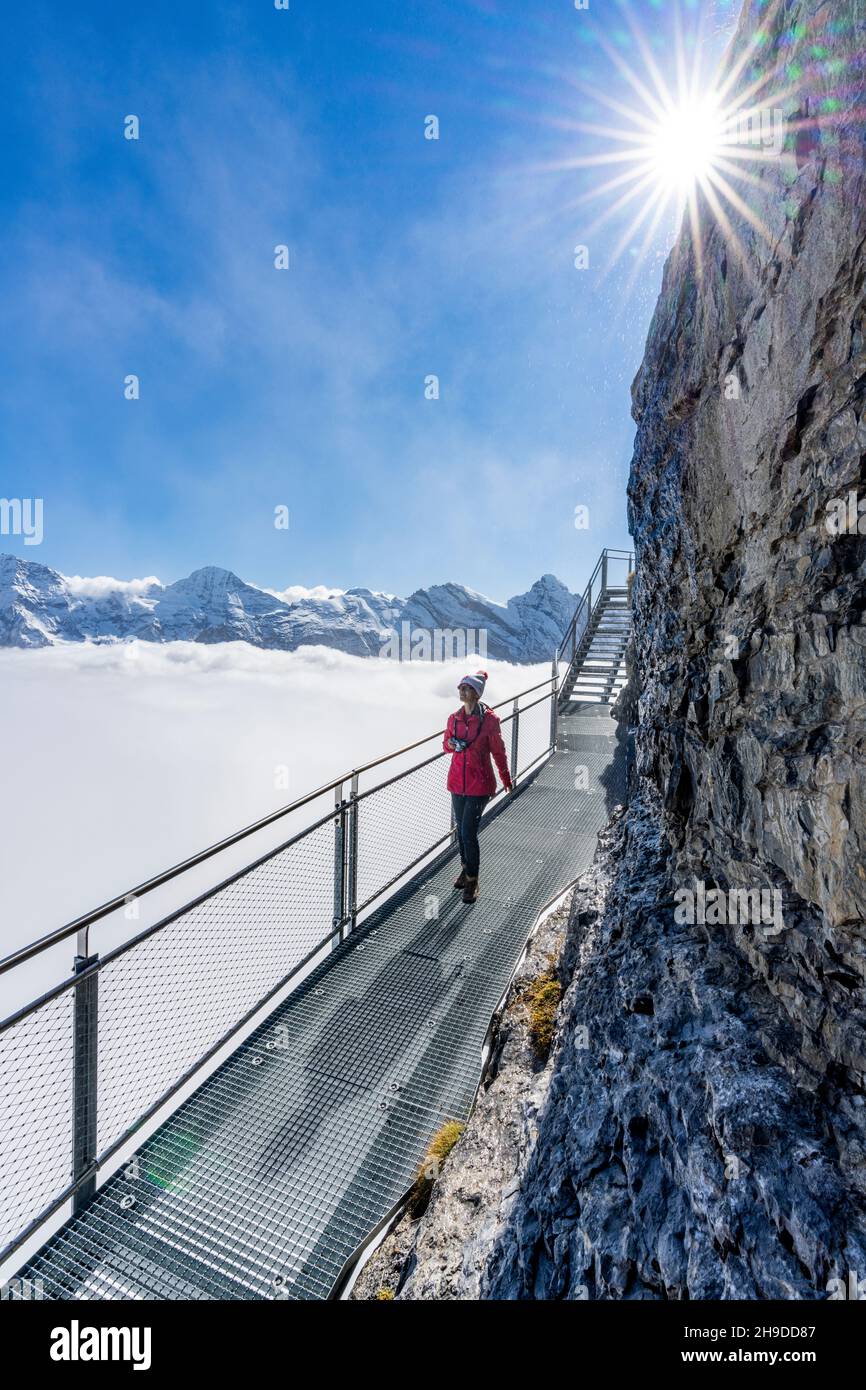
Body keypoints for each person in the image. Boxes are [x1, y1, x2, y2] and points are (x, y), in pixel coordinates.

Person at [443, 670, 513, 904]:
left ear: (477, 693)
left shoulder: (490, 721)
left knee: (467, 832)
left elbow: (498, 751)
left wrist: (506, 778)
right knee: (461, 833)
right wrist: (452, 744)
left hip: (480, 784)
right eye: (461, 688)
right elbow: (445, 745)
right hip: (457, 783)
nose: (463, 691)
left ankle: (472, 880)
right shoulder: (454, 719)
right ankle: (466, 869)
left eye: (468, 688)